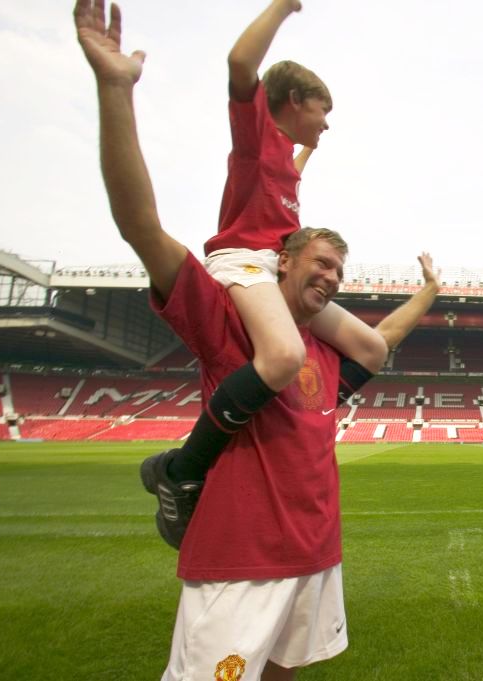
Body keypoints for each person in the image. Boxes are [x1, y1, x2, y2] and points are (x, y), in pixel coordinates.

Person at [73, 3, 437, 678]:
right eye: (317, 263)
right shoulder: (229, 318)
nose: (329, 276)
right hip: (240, 558)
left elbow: (378, 340)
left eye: (338, 269)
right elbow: (140, 224)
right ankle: (181, 469)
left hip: (314, 553)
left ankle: (183, 467)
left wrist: (429, 293)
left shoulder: (326, 354)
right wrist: (114, 89)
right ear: (283, 262)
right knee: (282, 353)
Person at [140, 0, 389, 547]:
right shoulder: (256, 140)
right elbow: (238, 63)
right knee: (282, 356)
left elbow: (290, 178)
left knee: (372, 348)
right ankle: (182, 472)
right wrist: (283, 7)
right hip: (242, 263)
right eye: (324, 110)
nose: (327, 121)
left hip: (274, 268)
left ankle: (302, 409)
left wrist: (308, 153)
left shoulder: (285, 164)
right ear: (295, 100)